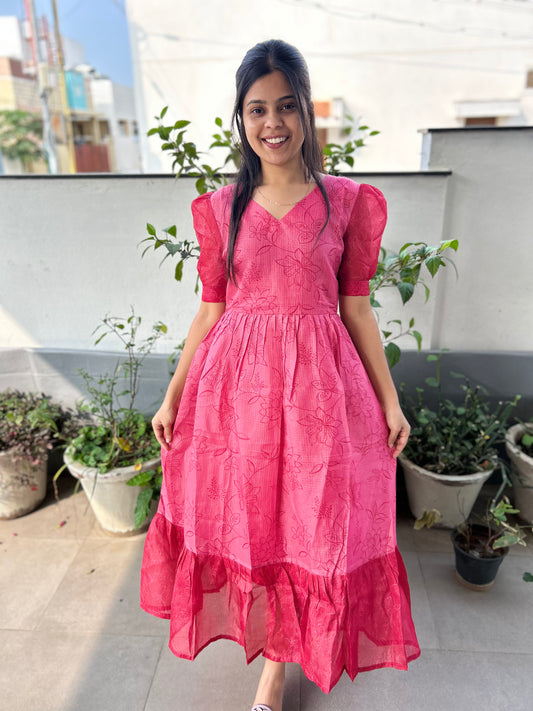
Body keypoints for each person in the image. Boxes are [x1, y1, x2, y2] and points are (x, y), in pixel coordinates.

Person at [141, 39, 420, 711]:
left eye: (286, 106)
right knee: (252, 522)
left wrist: (390, 399)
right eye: (257, 109)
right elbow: (210, 312)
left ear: (306, 114)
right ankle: (271, 656)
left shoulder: (347, 203)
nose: (273, 123)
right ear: (240, 119)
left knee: (311, 523)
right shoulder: (217, 209)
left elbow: (356, 311)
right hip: (235, 396)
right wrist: (173, 393)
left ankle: (281, 664)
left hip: (321, 395)